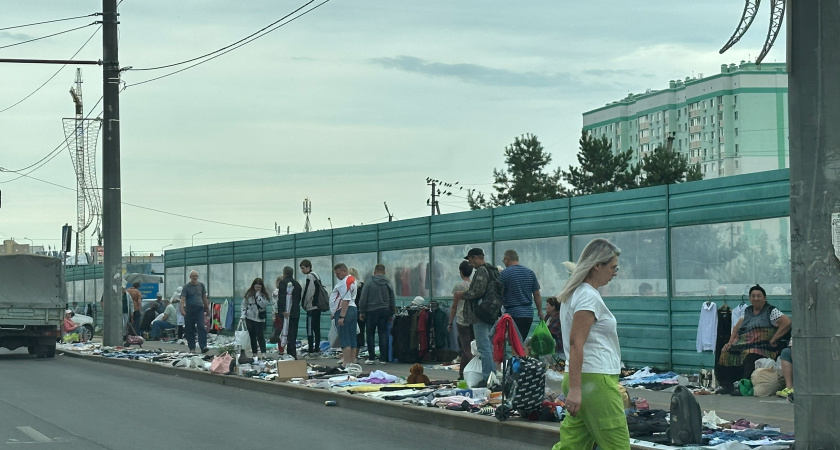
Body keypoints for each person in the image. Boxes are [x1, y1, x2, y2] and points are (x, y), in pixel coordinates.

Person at [553, 238, 629, 450]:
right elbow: (577, 342)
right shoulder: (588, 296)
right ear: (597, 265)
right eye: (613, 267)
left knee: (572, 445)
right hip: (595, 382)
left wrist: (575, 388)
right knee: (617, 445)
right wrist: (577, 390)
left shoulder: (576, 293)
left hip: (579, 378)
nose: (615, 272)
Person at [716, 284, 791, 395]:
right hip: (744, 344)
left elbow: (787, 322)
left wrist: (774, 339)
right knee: (725, 352)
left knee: (750, 354)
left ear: (764, 298)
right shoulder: (747, 311)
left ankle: (744, 386)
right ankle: (727, 385)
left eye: (759, 296)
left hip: (763, 346)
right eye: (753, 296)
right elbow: (737, 327)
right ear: (750, 298)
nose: (756, 298)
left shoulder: (771, 311)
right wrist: (730, 342)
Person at [453, 248, 498, 383]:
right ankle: (492, 377)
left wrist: (463, 295)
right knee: (488, 347)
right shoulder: (492, 270)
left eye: (470, 260)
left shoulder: (481, 271)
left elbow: (478, 290)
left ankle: (487, 378)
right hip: (491, 312)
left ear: (476, 258)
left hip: (480, 314)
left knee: (483, 347)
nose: (470, 264)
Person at [499, 249, 542, 340]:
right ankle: (521, 354)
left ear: (507, 259)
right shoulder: (530, 273)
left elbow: (499, 293)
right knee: (521, 341)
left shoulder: (504, 274)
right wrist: (540, 311)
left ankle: (517, 355)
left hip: (512, 313)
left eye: (504, 261)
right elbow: (537, 294)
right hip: (528, 313)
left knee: (515, 342)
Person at [358, 264, 395, 365]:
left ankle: (371, 358)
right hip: (385, 310)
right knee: (382, 333)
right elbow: (392, 298)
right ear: (384, 271)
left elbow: (363, 298)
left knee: (370, 334)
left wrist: (362, 311)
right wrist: (392, 312)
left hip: (371, 311)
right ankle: (383, 359)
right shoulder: (388, 282)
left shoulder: (369, 282)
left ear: (375, 271)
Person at [447, 261, 474, 380]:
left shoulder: (459, 286)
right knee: (467, 347)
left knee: (466, 348)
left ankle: (475, 368)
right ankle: (462, 374)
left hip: (462, 320)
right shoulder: (474, 284)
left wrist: (450, 322)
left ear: (461, 272)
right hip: (473, 320)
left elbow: (454, 306)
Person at [331, 263, 358, 367]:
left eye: (338, 273)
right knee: (352, 337)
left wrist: (341, 316)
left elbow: (345, 300)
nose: (337, 276)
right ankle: (352, 361)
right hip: (352, 309)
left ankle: (346, 362)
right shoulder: (353, 279)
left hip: (345, 310)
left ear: (344, 271)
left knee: (345, 337)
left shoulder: (345, 282)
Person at [275, 267, 302, 359]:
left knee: (286, 332)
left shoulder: (283, 283)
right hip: (295, 312)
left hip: (286, 312)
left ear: (284, 273)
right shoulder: (297, 284)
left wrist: (282, 311)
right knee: (293, 333)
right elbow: (298, 299)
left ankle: (288, 353)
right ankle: (292, 353)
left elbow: (282, 298)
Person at [180, 270, 210, 353]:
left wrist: (207, 308)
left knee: (201, 327)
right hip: (189, 310)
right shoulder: (186, 287)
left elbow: (204, 297)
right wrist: (182, 309)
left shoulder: (201, 286)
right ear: (190, 277)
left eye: (196, 276)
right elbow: (183, 299)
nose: (195, 277)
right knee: (190, 329)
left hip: (199, 309)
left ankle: (203, 346)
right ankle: (192, 348)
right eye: (193, 276)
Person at [241, 277, 270, 358]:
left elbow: (264, 305)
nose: (257, 289)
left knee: (260, 335)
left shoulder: (263, 295)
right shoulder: (249, 294)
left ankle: (263, 353)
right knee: (252, 335)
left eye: (259, 287)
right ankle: (254, 353)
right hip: (249, 317)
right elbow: (244, 304)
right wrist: (243, 314)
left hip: (259, 318)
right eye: (256, 287)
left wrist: (258, 297)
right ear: (253, 286)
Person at [299, 259, 322, 357]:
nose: (302, 270)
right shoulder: (317, 275)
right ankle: (317, 348)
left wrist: (304, 304)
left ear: (308, 267)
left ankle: (311, 350)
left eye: (303, 268)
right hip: (318, 306)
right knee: (317, 329)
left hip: (311, 307)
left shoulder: (309, 276)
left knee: (310, 329)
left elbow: (309, 292)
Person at [349, 267, 366, 351]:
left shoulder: (348, 286)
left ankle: (348, 356)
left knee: (349, 334)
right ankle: (355, 356)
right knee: (359, 333)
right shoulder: (362, 285)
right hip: (360, 312)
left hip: (350, 312)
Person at [543, 296, 564, 362]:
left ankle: (551, 367)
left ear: (553, 307)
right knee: (529, 342)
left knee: (546, 345)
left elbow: (550, 332)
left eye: (547, 305)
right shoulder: (547, 317)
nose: (545, 307)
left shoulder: (558, 317)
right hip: (548, 339)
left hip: (558, 343)